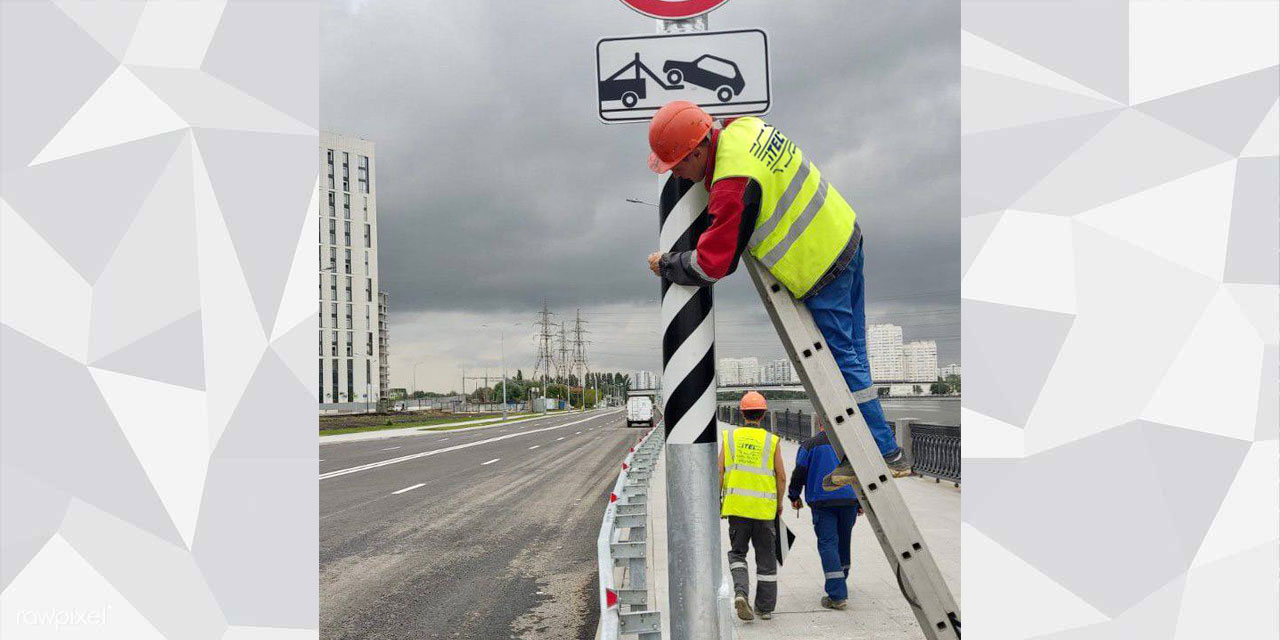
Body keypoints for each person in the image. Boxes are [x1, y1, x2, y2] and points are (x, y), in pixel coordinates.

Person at [644, 100, 910, 483]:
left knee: (842, 364)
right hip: (845, 233)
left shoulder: (732, 185)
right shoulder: (743, 127)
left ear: (700, 149)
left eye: (680, 165)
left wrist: (667, 264)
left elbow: (711, 264)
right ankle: (864, 450)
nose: (679, 177)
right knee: (855, 356)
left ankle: (885, 452)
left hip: (821, 266)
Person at [719, 391, 786, 621]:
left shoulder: (729, 439)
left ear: (742, 412)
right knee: (766, 557)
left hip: (737, 509)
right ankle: (765, 608)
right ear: (764, 414)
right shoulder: (772, 440)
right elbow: (781, 477)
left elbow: (719, 472)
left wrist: (718, 501)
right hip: (764, 510)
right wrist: (779, 504)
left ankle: (740, 593)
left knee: (738, 553)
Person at [788, 420, 859, 610]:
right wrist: (861, 501)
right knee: (844, 542)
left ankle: (837, 595)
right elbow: (862, 472)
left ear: (819, 423)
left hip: (822, 501)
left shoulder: (809, 445)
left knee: (828, 543)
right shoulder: (850, 444)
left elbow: (799, 473)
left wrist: (794, 496)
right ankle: (840, 582)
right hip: (849, 500)